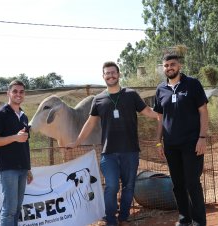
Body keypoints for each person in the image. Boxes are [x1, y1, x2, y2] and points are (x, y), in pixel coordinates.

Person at [66, 61, 158, 226]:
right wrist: (77, 141)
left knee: (129, 187)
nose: (110, 75)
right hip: (108, 153)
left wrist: (162, 114)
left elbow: (147, 112)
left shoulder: (131, 94)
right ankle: (110, 219)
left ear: (119, 74)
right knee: (112, 186)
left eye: (113, 72)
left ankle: (123, 218)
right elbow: (90, 123)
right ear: (103, 77)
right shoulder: (99, 99)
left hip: (131, 151)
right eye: (107, 73)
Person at [154, 53, 209, 226]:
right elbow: (160, 119)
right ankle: (184, 219)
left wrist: (202, 137)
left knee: (192, 183)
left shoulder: (192, 84)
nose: (169, 67)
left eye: (172, 64)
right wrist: (158, 142)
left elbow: (203, 112)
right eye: (166, 65)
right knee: (177, 184)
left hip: (192, 143)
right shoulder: (160, 89)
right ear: (163, 68)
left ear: (179, 66)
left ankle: (199, 221)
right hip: (171, 145)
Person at [0, 80, 33, 226]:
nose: (18, 94)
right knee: (9, 210)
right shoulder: (0, 114)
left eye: (21, 92)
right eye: (15, 91)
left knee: (17, 208)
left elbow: (24, 143)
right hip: (8, 169)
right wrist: (14, 137)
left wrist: (28, 168)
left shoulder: (24, 116)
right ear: (8, 93)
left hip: (22, 168)